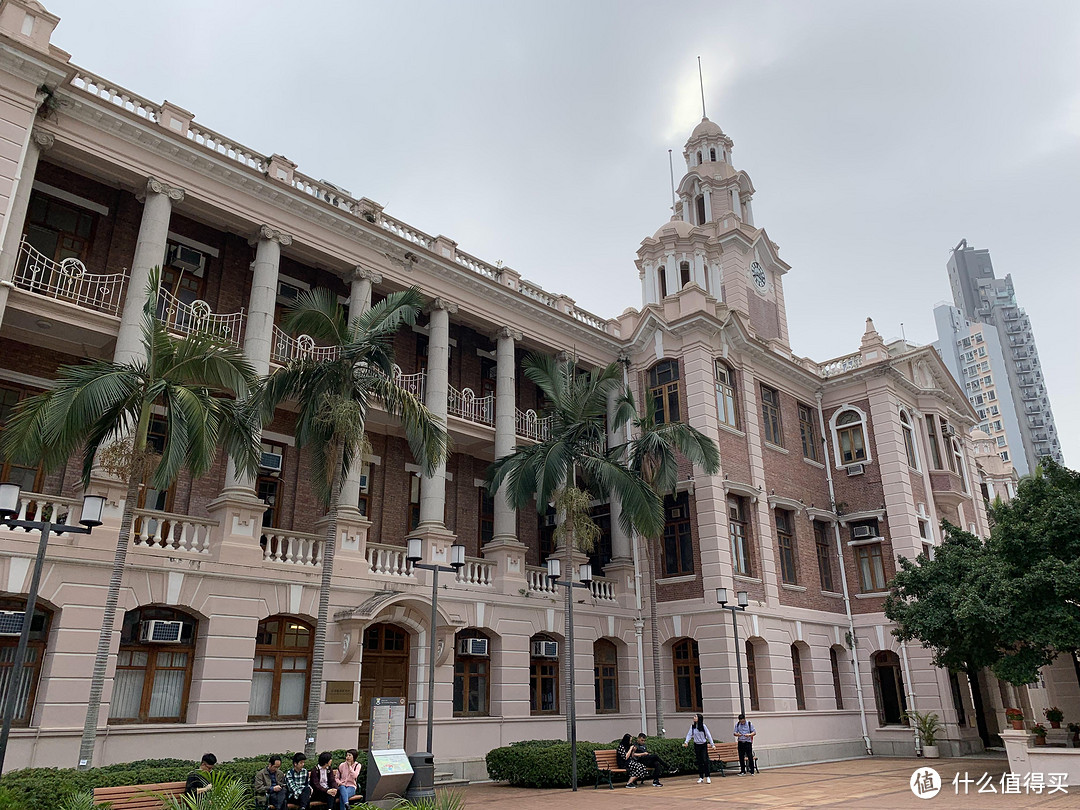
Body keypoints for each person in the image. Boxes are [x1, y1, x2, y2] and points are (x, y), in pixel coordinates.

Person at [683, 713, 715, 784]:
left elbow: (708, 735)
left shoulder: (703, 726)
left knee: (705, 760)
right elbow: (689, 735)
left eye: (695, 717)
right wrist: (686, 742)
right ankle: (701, 777)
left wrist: (712, 744)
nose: (694, 718)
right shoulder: (692, 727)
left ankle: (708, 776)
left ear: (699, 719)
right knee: (699, 761)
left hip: (703, 745)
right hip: (696, 745)